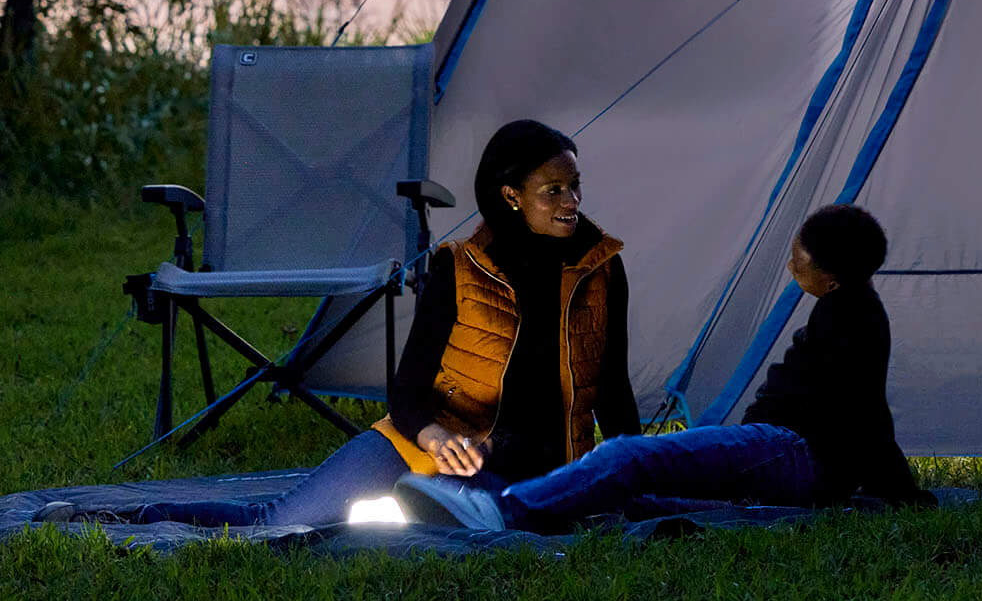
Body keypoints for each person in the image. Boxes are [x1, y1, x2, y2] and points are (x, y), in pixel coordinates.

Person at [142, 119, 637, 529]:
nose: (572, 201)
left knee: (484, 525)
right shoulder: (457, 268)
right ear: (511, 195)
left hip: (531, 473)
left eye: (575, 187)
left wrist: (632, 471)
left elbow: (614, 389)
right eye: (554, 191)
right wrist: (433, 436)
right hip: (433, 446)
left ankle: (463, 508)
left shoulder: (602, 270)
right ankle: (113, 518)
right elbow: (407, 389)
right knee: (277, 522)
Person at [397, 203, 931, 532]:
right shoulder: (846, 307)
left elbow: (867, 414)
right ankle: (519, 503)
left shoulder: (854, 322)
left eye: (800, 261)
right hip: (775, 452)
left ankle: (504, 512)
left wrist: (902, 493)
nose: (791, 264)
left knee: (629, 455)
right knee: (645, 494)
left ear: (832, 278)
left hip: (791, 453)